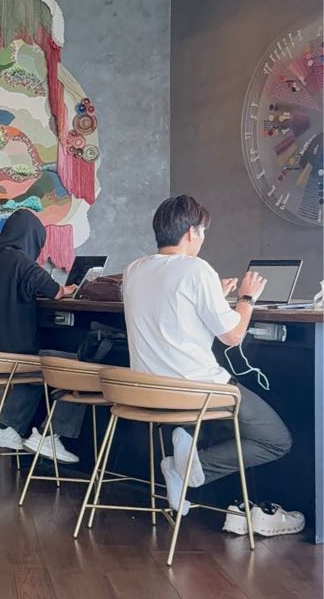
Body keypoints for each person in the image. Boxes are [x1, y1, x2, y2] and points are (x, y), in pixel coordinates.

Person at [122, 194, 303, 537]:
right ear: (191, 232)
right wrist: (246, 297)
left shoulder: (135, 269)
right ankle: (192, 467)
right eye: (203, 232)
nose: (203, 239)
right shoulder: (197, 269)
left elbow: (170, 313)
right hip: (198, 391)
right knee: (277, 440)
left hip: (147, 392)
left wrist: (213, 296)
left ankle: (185, 456)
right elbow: (233, 336)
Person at [0, 209, 84, 461]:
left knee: (37, 368)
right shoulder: (21, 262)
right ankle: (49, 434)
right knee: (73, 366)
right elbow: (55, 291)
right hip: (11, 355)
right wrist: (69, 289)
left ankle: (5, 427)